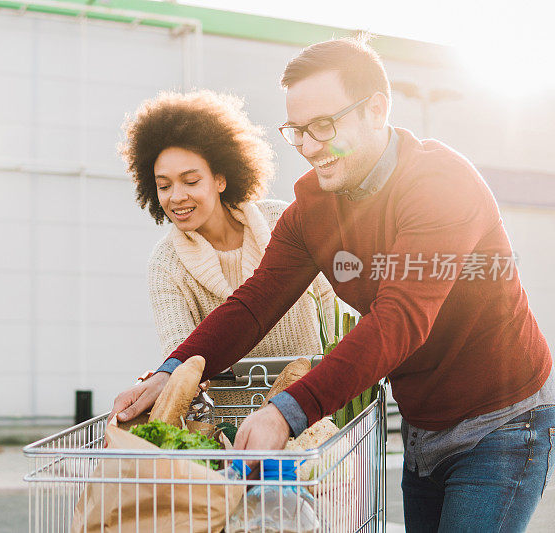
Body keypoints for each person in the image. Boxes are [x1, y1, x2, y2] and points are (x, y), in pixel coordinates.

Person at [110, 37, 554, 532]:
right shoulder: (313, 210)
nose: (310, 146)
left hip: (502, 423)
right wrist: (171, 372)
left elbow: (399, 319)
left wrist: (286, 413)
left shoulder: (439, 186)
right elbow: (256, 302)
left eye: (324, 125)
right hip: (423, 426)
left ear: (376, 109)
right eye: (297, 131)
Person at [118, 90, 335, 411]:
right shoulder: (166, 264)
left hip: (308, 415)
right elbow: (181, 349)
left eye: (190, 181)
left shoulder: (281, 221)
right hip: (228, 434)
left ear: (220, 179)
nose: (176, 196)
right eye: (164, 186)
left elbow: (327, 312)